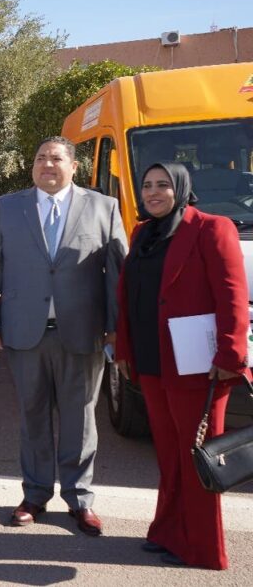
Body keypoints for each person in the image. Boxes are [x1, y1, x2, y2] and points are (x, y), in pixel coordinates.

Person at [0, 136, 126, 536]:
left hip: (84, 334)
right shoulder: (8, 207)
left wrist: (116, 329)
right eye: (40, 157)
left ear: (74, 166)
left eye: (56, 158)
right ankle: (35, 494)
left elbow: (118, 274)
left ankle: (80, 498)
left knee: (81, 420)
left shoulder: (104, 207)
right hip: (26, 334)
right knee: (32, 416)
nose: (46, 164)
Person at [115, 162, 250, 570]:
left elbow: (232, 295)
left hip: (199, 365)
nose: (153, 192)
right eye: (147, 185)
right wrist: (124, 350)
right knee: (170, 454)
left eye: (163, 185)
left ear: (182, 189)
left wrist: (230, 355)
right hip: (152, 360)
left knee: (197, 457)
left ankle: (203, 549)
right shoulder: (143, 233)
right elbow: (131, 296)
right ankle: (169, 531)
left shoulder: (212, 228)